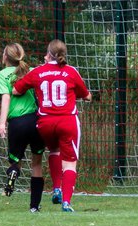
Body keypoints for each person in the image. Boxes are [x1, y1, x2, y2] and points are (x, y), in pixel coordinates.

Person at [12, 38, 91, 213]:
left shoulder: (38, 72)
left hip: (45, 122)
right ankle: (66, 202)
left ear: (48, 54)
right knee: (70, 163)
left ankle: (56, 189)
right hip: (67, 121)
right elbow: (86, 96)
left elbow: (16, 90)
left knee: (54, 150)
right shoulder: (71, 71)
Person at [0, 42, 47, 211]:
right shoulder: (31, 72)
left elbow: (6, 98)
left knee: (15, 161)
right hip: (36, 121)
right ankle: (34, 206)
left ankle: (13, 172)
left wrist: (2, 124)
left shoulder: (0, 75)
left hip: (17, 123)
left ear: (5, 57)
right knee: (37, 164)